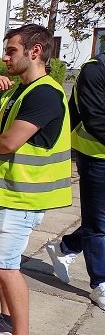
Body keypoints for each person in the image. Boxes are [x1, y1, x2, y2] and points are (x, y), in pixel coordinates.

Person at [0, 23, 72, 335]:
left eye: (11, 50)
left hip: (18, 199)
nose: (5, 57)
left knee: (7, 267)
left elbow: (8, 142)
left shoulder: (45, 94)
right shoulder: (18, 92)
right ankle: (5, 318)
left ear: (35, 51)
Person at [44, 52, 105, 310]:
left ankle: (66, 247)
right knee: (99, 223)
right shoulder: (94, 70)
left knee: (99, 221)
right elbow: (95, 120)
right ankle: (100, 284)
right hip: (96, 158)